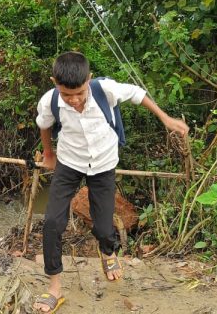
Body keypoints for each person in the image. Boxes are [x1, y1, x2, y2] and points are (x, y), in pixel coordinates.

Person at [32, 51, 189, 313]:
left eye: (79, 92)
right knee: (52, 223)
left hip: (104, 163)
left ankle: (108, 252)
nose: (74, 99)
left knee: (104, 228)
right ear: (54, 83)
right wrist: (48, 154)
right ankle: (55, 288)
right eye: (66, 94)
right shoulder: (50, 100)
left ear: (89, 79)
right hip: (69, 163)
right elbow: (44, 125)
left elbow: (137, 94)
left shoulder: (105, 90)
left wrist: (166, 118)